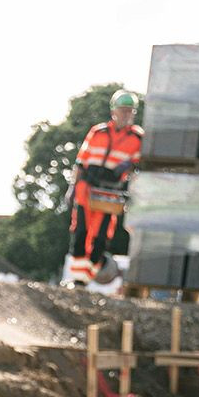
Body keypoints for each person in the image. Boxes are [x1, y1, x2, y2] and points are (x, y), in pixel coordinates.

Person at [67, 90, 144, 286]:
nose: (126, 115)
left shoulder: (137, 138)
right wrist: (72, 188)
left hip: (111, 193)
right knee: (81, 232)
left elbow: (139, 166)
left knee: (100, 237)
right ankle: (77, 278)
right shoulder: (97, 132)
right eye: (122, 110)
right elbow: (80, 163)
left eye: (129, 111)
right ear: (113, 111)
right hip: (87, 188)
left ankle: (88, 276)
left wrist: (128, 166)